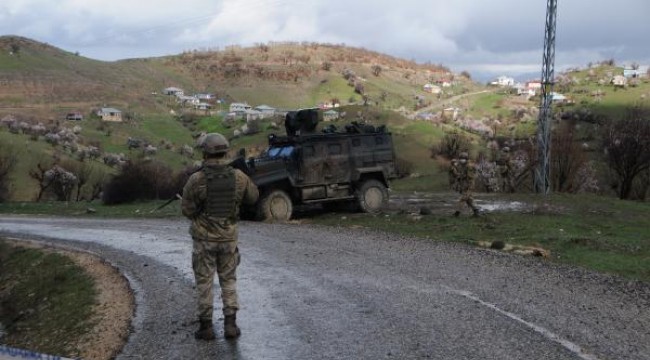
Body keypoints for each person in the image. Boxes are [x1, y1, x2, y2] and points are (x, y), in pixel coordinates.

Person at [182, 132, 259, 340]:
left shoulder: (196, 179)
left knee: (204, 282)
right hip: (228, 240)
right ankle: (231, 326)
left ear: (205, 153)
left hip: (204, 241)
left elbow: (187, 210)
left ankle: (206, 327)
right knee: (229, 280)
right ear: (225, 150)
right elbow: (253, 198)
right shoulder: (239, 177)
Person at [450, 151, 480, 217]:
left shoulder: (469, 166)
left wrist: (460, 176)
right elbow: (461, 175)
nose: (461, 160)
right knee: (469, 200)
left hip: (469, 186)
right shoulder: (463, 166)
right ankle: (476, 211)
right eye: (461, 158)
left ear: (466, 159)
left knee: (463, 199)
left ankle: (457, 213)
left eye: (463, 158)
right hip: (464, 185)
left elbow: (469, 177)